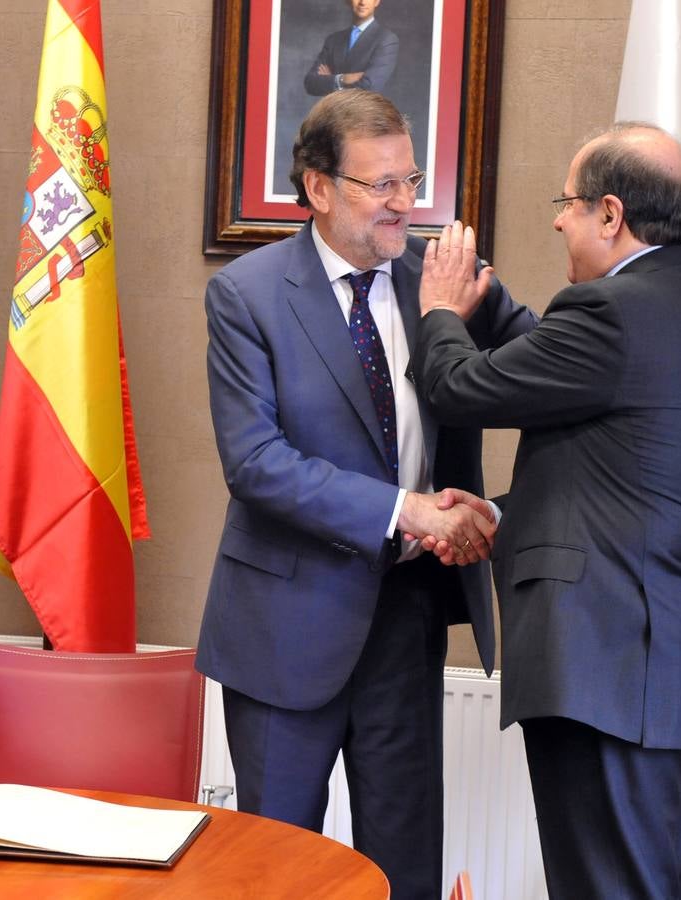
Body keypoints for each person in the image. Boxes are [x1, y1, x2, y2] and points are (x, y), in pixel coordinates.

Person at [196, 90, 537, 899]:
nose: (403, 205)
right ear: (318, 188)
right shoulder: (247, 295)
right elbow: (256, 464)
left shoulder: (441, 279)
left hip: (406, 616)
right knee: (275, 872)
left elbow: (558, 356)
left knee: (406, 866)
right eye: (379, 185)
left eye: (410, 181)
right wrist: (406, 510)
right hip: (283, 629)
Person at [414, 123, 681, 899]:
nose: (557, 219)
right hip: (664, 671)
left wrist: (440, 310)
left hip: (614, 673)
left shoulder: (613, 311)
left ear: (611, 213)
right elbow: (622, 474)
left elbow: (457, 388)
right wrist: (505, 517)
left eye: (568, 203)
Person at [304, 0, 399, 97]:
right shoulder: (333, 40)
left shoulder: (386, 39)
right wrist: (343, 78)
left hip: (361, 112)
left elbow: (369, 87)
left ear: (377, 1)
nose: (362, 2)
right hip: (332, 111)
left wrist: (331, 80)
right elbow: (310, 83)